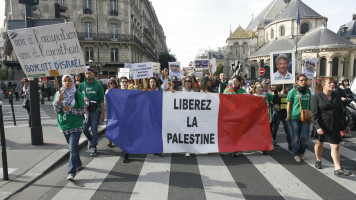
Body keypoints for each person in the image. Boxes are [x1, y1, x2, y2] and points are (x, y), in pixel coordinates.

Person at [311, 77, 352, 176]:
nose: (332, 84)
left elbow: (340, 112)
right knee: (319, 144)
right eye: (329, 83)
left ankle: (337, 169)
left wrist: (346, 125)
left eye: (333, 83)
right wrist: (317, 127)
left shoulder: (336, 95)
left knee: (336, 146)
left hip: (334, 125)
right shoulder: (316, 97)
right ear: (323, 85)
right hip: (322, 125)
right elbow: (314, 114)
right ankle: (318, 159)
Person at [53, 75, 86, 181]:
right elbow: (56, 111)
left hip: (76, 125)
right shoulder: (58, 94)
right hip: (64, 125)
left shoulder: (77, 94)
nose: (67, 83)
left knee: (72, 149)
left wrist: (70, 110)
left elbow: (83, 110)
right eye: (65, 81)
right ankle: (79, 163)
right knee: (73, 148)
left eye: (69, 81)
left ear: (72, 82)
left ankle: (71, 172)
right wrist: (58, 101)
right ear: (62, 82)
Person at [78, 67, 105, 157]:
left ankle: (93, 146)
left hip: (95, 110)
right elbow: (78, 97)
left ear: (93, 74)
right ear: (84, 75)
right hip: (85, 111)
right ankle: (91, 140)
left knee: (94, 129)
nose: (88, 75)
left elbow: (101, 99)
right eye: (86, 73)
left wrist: (102, 113)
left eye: (90, 73)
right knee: (84, 129)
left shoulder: (98, 85)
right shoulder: (82, 85)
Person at [286, 74, 312, 163]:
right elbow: (289, 104)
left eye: (305, 80)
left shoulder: (308, 91)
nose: (304, 82)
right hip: (295, 117)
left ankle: (302, 152)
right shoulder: (293, 91)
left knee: (305, 137)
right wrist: (288, 115)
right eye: (301, 80)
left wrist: (311, 114)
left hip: (306, 116)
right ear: (297, 81)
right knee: (296, 137)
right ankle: (296, 154)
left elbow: (310, 104)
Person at [105, 78, 119, 147]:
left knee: (116, 125)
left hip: (117, 110)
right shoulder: (107, 91)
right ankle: (109, 140)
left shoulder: (118, 91)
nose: (112, 84)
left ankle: (116, 139)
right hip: (109, 110)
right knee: (109, 125)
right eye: (111, 83)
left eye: (113, 83)